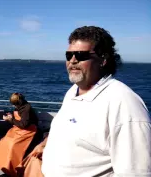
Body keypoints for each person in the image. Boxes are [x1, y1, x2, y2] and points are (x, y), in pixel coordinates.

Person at [41, 26, 151, 176]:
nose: (72, 61)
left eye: (80, 55)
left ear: (103, 60)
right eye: (69, 55)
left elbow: (137, 172)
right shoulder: (73, 92)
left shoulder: (123, 102)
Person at [0, 93, 39, 176]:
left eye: (15, 104)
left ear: (18, 102)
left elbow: (24, 124)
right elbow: (20, 119)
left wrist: (11, 119)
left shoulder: (26, 109)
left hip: (28, 131)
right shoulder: (21, 106)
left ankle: (14, 168)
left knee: (13, 145)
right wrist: (11, 117)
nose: (14, 106)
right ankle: (5, 166)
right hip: (19, 130)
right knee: (3, 142)